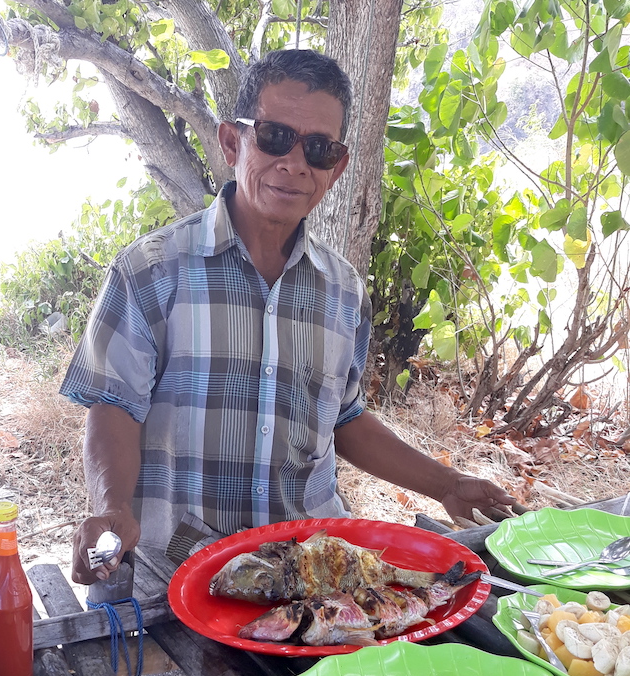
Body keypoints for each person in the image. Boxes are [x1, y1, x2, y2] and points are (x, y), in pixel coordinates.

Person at [61, 48, 514, 586]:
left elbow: (344, 419)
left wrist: (445, 484)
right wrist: (112, 508)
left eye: (319, 149)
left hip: (311, 574)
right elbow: (113, 407)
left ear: (338, 165)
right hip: (180, 575)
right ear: (233, 142)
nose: (295, 163)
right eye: (275, 136)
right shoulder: (150, 272)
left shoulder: (344, 291)